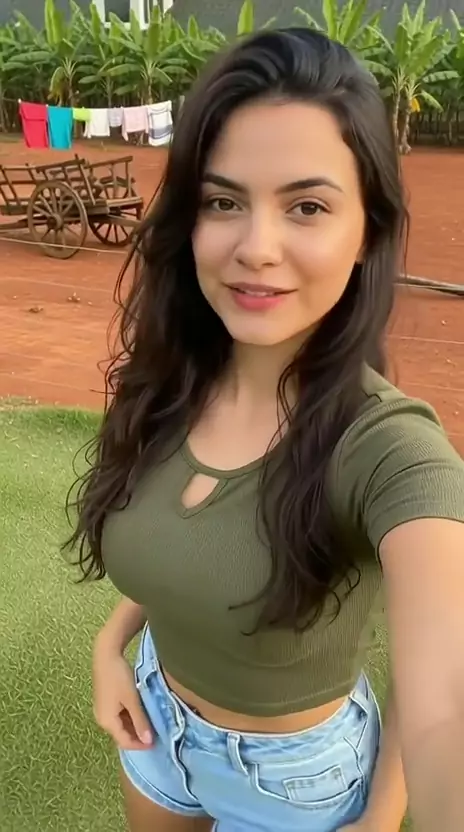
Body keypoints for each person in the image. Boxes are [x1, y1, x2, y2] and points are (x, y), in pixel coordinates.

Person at [67, 27, 464, 832]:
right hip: (154, 722)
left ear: (368, 231)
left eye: (307, 207)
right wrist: (112, 649)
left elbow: (445, 705)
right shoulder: (168, 386)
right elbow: (179, 552)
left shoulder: (390, 450)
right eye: (223, 202)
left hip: (296, 782)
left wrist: (386, 814)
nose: (255, 247)